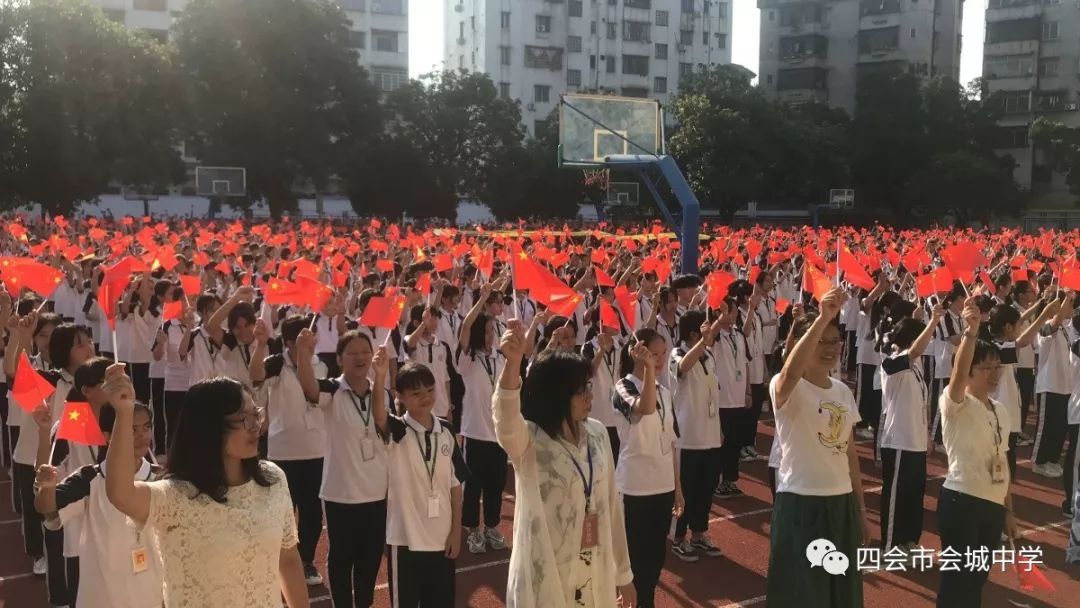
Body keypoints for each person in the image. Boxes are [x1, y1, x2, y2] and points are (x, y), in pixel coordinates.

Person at [101, 369, 310, 608]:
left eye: (256, 415)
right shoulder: (176, 496)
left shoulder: (273, 479)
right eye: (243, 419)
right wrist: (124, 413)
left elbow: (288, 559)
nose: (255, 427)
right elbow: (121, 494)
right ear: (210, 428)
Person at [492, 320, 636, 608]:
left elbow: (611, 506)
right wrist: (513, 364)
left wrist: (623, 574)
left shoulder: (597, 434)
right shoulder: (530, 441)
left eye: (588, 386)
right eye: (580, 390)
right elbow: (505, 421)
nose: (590, 395)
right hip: (546, 579)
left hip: (593, 574)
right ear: (556, 394)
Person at [766, 287, 870, 608]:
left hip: (841, 503)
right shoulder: (785, 386)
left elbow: (849, 453)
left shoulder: (842, 392)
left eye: (835, 341)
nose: (830, 348)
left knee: (842, 595)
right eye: (821, 341)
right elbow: (790, 373)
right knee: (802, 595)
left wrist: (860, 510)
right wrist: (823, 317)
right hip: (801, 502)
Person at [34, 402, 164, 608]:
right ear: (108, 436)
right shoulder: (89, 479)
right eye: (132, 429)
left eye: (146, 427)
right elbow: (46, 507)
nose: (142, 436)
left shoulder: (160, 478)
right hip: (102, 598)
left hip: (151, 597)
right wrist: (47, 485)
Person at [297, 329, 391, 608]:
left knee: (370, 558)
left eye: (365, 351)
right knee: (341, 559)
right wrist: (303, 353)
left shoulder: (382, 392)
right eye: (352, 353)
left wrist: (382, 376)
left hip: (375, 492)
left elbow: (385, 429)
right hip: (341, 493)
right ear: (339, 358)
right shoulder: (333, 390)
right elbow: (309, 388)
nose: (360, 357)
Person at [936, 296, 1019, 608]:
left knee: (977, 578)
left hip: (992, 507)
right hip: (962, 502)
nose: (995, 374)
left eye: (998, 367)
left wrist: (1008, 511)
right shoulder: (955, 403)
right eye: (987, 368)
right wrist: (971, 332)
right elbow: (957, 375)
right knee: (958, 581)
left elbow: (1003, 462)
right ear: (970, 371)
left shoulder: (999, 410)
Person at [370, 356, 467, 608]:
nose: (425, 397)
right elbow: (378, 415)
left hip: (442, 539)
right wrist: (380, 376)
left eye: (430, 390)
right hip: (405, 540)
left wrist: (456, 532)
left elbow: (455, 486)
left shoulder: (446, 431)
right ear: (400, 396)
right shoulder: (397, 430)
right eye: (416, 393)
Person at [250, 315, 327, 586]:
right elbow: (255, 375)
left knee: (312, 512)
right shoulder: (276, 364)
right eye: (306, 338)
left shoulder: (320, 365)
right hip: (283, 451)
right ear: (291, 343)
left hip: (316, 449)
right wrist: (260, 344)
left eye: (313, 336)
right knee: (282, 510)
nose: (312, 342)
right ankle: (278, 560)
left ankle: (305, 561)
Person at [612, 328, 684, 606]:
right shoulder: (624, 387)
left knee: (655, 559)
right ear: (638, 354)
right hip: (635, 488)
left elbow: (671, 442)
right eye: (654, 354)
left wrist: (677, 488)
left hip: (662, 487)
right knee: (634, 561)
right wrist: (649, 371)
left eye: (663, 353)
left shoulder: (665, 392)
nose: (661, 359)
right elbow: (645, 408)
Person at [877, 307, 940, 552]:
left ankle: (909, 539)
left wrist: (927, 437)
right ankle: (891, 544)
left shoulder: (916, 367)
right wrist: (933, 321)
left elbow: (921, 403)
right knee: (896, 495)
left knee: (914, 494)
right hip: (898, 442)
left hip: (916, 442)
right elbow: (912, 352)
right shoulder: (892, 363)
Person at [669, 311, 724, 562]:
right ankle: (678, 537)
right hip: (688, 437)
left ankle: (699, 534)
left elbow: (713, 392)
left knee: (706, 488)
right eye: (704, 329)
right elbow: (682, 368)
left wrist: (719, 428)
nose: (710, 334)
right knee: (686, 490)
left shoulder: (709, 356)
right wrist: (703, 342)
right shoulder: (677, 353)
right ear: (693, 333)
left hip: (710, 434)